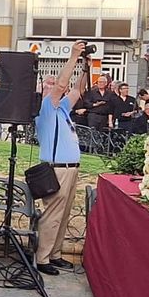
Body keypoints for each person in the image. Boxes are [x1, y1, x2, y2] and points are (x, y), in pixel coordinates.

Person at [34, 41, 88, 273]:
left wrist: (86, 66)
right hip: (57, 168)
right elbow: (63, 84)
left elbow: (77, 90)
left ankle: (55, 254)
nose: (54, 85)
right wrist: (73, 55)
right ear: (42, 89)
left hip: (71, 168)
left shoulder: (63, 109)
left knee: (63, 215)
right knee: (53, 214)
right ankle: (43, 257)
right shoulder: (45, 107)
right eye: (49, 83)